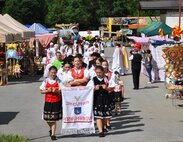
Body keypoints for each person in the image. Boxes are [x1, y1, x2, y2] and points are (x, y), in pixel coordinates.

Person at [88, 66, 115, 137]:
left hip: (106, 99)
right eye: (97, 73)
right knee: (98, 116)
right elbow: (88, 89)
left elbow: (112, 89)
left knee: (105, 116)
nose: (98, 74)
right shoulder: (93, 80)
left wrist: (106, 88)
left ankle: (103, 127)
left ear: (103, 72)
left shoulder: (107, 79)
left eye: (100, 72)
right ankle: (100, 131)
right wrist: (94, 88)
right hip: (97, 100)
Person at [40, 66, 62, 141]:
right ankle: (51, 129)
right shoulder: (45, 81)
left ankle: (53, 134)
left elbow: (61, 91)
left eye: (54, 73)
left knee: (54, 119)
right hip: (48, 101)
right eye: (52, 72)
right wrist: (48, 90)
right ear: (49, 72)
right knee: (47, 119)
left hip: (56, 101)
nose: (53, 74)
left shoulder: (58, 80)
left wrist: (55, 91)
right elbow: (41, 91)